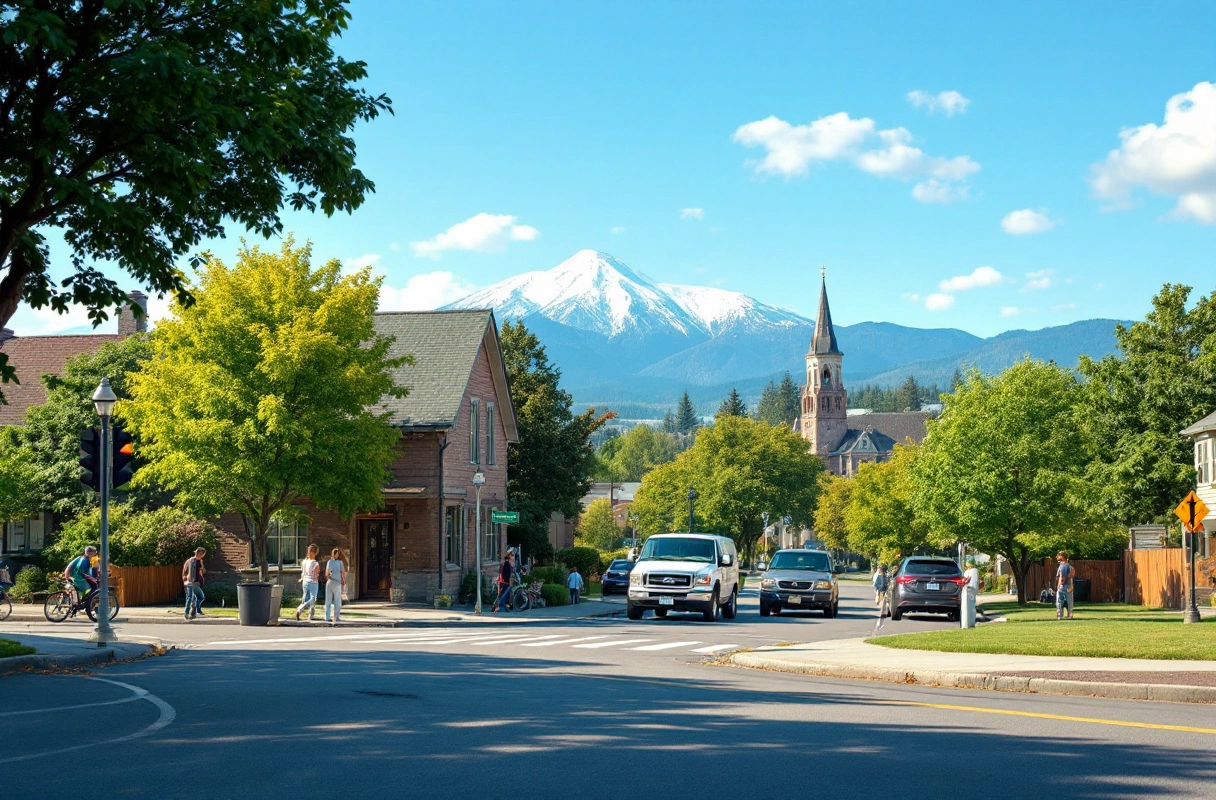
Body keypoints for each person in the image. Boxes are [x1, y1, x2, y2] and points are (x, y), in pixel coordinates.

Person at [295, 544, 321, 621]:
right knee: (313, 598)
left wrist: (302, 578)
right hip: (313, 581)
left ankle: (311, 614)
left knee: (305, 598)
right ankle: (301, 609)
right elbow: (315, 574)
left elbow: (303, 572)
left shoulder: (304, 562)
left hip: (305, 581)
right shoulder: (315, 563)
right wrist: (316, 579)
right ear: (314, 553)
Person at [182, 547, 207, 620]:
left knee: (196, 597)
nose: (203, 556)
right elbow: (189, 571)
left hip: (192, 583)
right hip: (191, 583)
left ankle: (192, 610)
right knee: (193, 597)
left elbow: (203, 571)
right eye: (202, 554)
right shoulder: (193, 561)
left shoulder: (195, 561)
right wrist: (192, 580)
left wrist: (202, 565)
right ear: (199, 553)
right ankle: (189, 612)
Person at [324, 548, 346, 625]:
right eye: (336, 554)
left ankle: (327, 617)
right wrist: (344, 581)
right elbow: (343, 572)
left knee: (329, 600)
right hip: (336, 582)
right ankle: (336, 616)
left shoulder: (330, 562)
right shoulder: (340, 563)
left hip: (331, 581)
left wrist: (329, 574)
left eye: (337, 554)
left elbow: (326, 573)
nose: (336, 555)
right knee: (337, 600)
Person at [1055, 551, 1075, 620]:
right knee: (1069, 602)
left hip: (1063, 587)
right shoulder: (1070, 567)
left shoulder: (1062, 566)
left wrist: (1058, 586)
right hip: (1069, 587)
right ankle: (1070, 615)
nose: (1058, 558)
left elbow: (1060, 578)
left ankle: (1060, 615)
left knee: (1059, 602)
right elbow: (1071, 577)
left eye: (1059, 556)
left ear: (1063, 557)